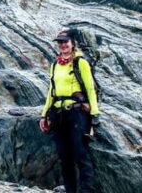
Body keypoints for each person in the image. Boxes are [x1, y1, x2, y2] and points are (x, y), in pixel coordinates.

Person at [39, 30, 99, 193]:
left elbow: (90, 88)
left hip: (77, 113)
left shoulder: (80, 63)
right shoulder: (55, 65)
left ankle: (87, 190)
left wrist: (94, 113)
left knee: (80, 154)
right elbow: (52, 90)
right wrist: (44, 114)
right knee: (64, 156)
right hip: (58, 114)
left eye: (66, 42)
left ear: (73, 43)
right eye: (60, 42)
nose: (63, 45)